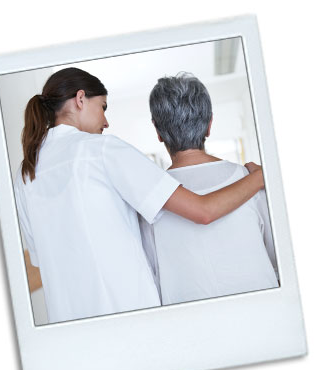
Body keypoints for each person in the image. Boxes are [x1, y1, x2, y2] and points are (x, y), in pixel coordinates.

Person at [14, 67, 264, 323]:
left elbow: (39, 260)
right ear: (80, 99)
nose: (106, 121)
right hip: (129, 313)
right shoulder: (101, 150)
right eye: (103, 107)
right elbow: (203, 211)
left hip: (68, 323)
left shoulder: (26, 175)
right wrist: (259, 176)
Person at [141, 72, 279, 306]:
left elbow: (151, 276)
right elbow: (280, 258)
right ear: (209, 124)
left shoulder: (148, 202)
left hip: (192, 330)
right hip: (264, 314)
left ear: (157, 131)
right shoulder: (254, 180)